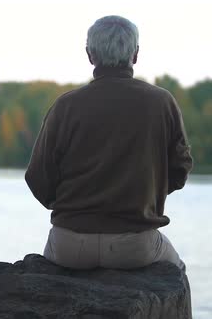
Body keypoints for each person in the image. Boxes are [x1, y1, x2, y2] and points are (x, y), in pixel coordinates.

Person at [25, 15, 193, 271]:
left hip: (69, 244)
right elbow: (180, 170)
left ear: (90, 55)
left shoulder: (65, 106)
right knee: (177, 271)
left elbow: (37, 177)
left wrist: (73, 209)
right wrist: (144, 193)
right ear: (135, 55)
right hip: (134, 245)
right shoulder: (161, 102)